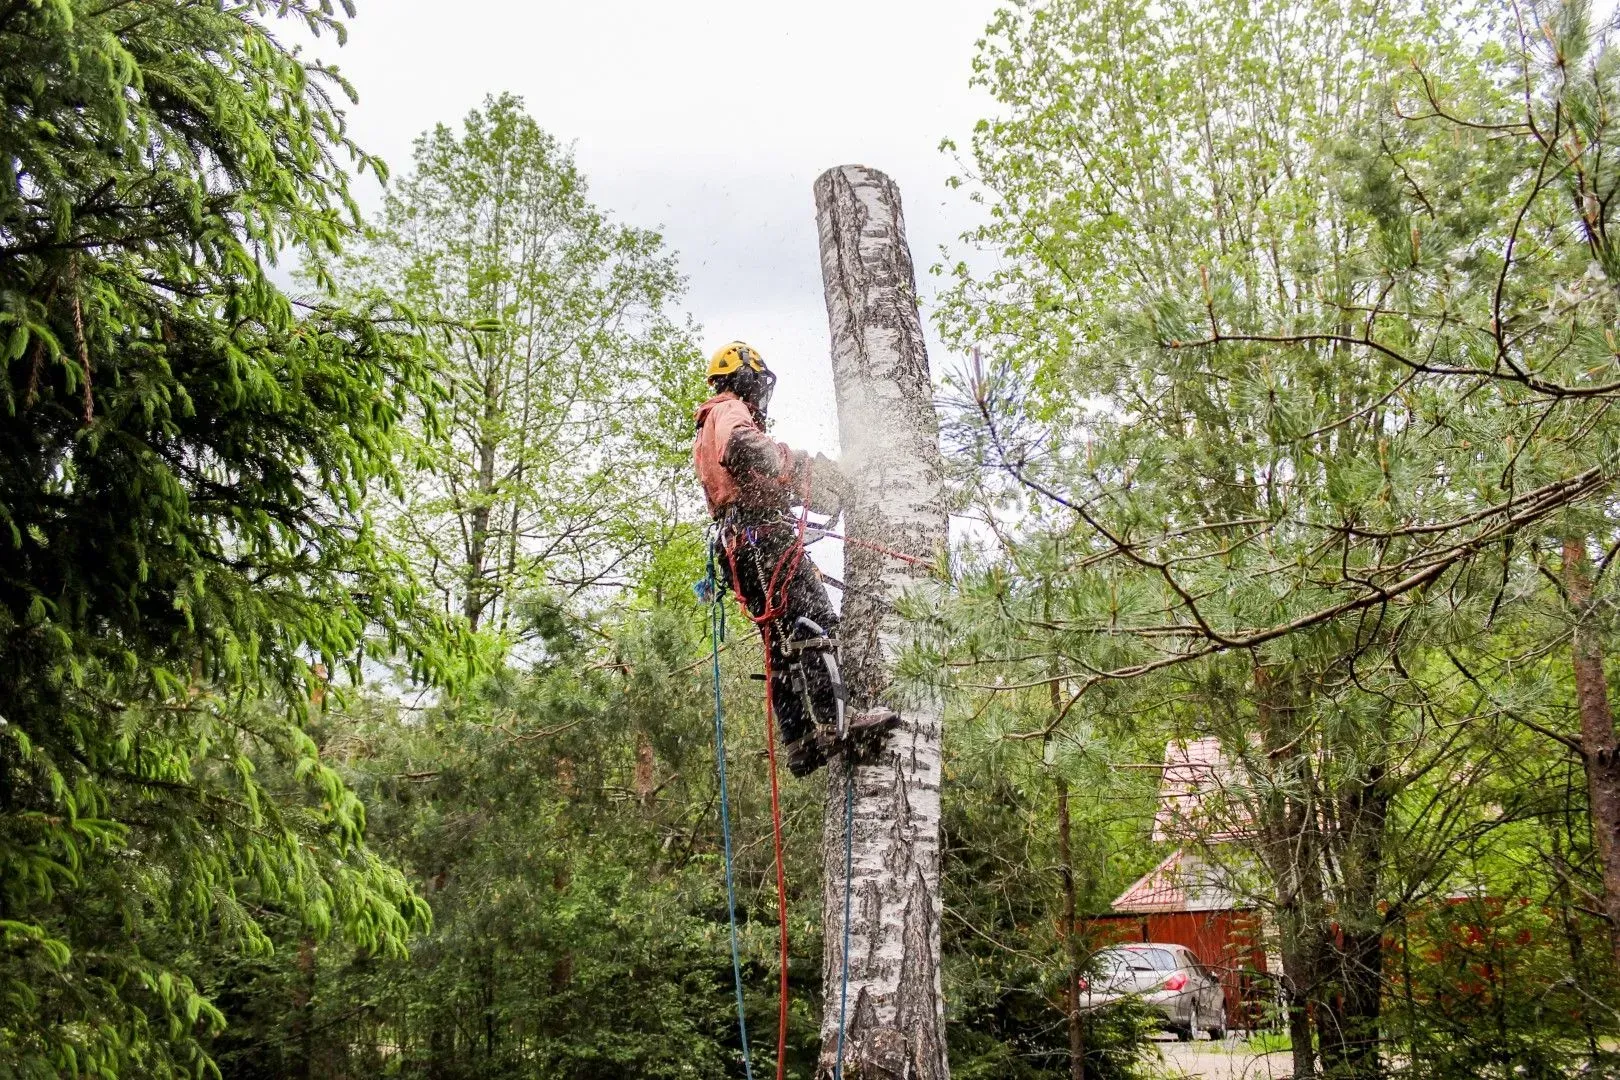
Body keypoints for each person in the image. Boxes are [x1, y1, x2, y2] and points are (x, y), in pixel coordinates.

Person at [694, 341, 898, 776]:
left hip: (739, 546)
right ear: (744, 376)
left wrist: (811, 483)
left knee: (781, 645)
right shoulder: (728, 409)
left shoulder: (707, 425)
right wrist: (794, 460)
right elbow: (743, 446)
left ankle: (801, 740)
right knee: (815, 619)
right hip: (762, 540)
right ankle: (838, 724)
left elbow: (756, 478)